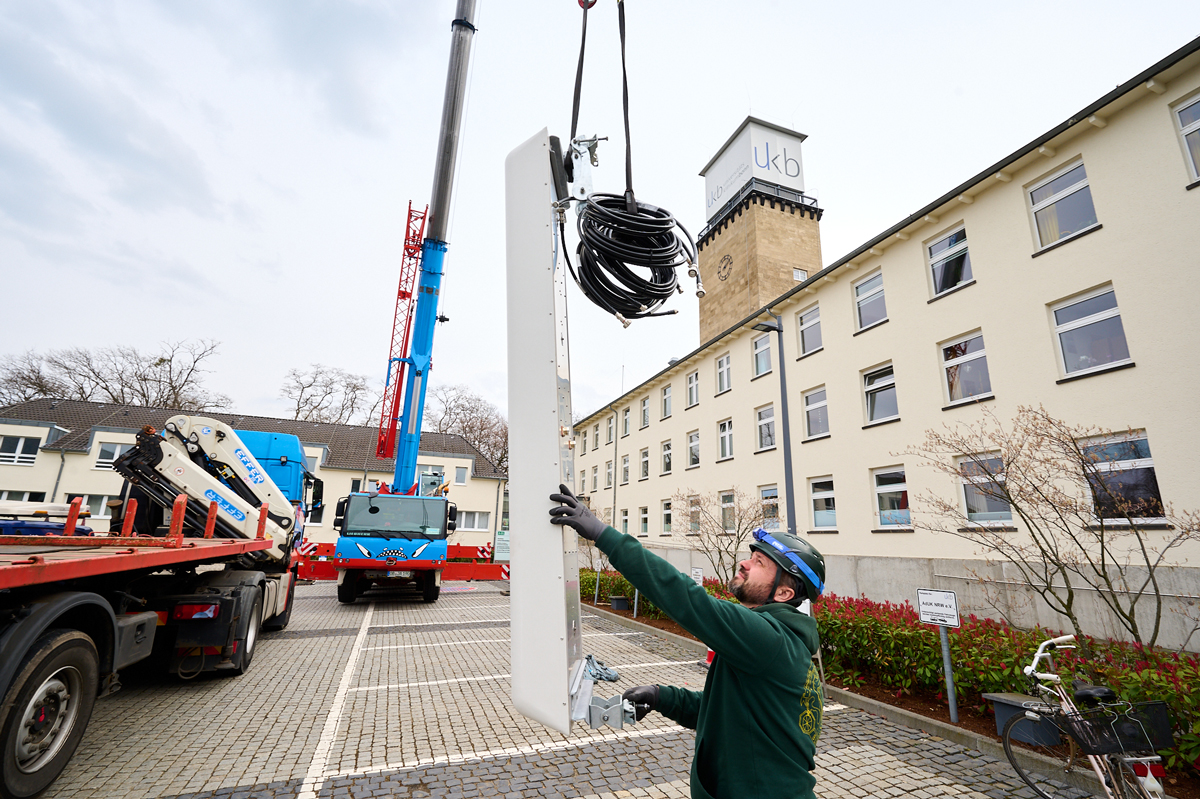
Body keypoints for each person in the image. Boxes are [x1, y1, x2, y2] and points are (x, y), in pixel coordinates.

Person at [549, 483, 827, 799]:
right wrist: (661, 697)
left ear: (784, 593)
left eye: (761, 563)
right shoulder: (776, 641)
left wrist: (603, 534)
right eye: (752, 555)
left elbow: (686, 598)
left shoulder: (770, 640)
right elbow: (723, 712)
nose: (746, 562)